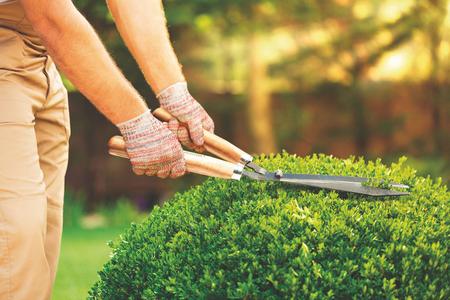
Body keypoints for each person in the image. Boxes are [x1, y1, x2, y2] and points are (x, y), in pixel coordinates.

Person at [0, 0, 214, 298]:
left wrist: (173, 90)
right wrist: (137, 123)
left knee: (38, 254)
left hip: (41, 60)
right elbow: (52, 19)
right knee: (14, 250)